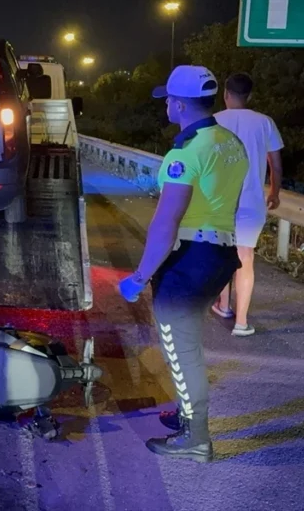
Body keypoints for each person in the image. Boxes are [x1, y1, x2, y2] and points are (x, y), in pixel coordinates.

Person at [118, 65, 249, 462]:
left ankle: (196, 438)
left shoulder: (186, 152)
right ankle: (187, 413)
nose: (166, 106)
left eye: (168, 101)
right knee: (187, 343)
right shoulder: (230, 142)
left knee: (181, 348)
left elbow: (166, 221)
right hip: (222, 253)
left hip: (193, 257)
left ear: (178, 104)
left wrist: (139, 277)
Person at [212, 73, 284, 336]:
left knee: (222, 253)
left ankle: (223, 304)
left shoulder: (214, 122)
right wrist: (274, 193)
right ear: (250, 96)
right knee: (245, 257)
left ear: (226, 94)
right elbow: (275, 164)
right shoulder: (265, 123)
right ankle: (241, 322)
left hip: (219, 203)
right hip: (252, 203)